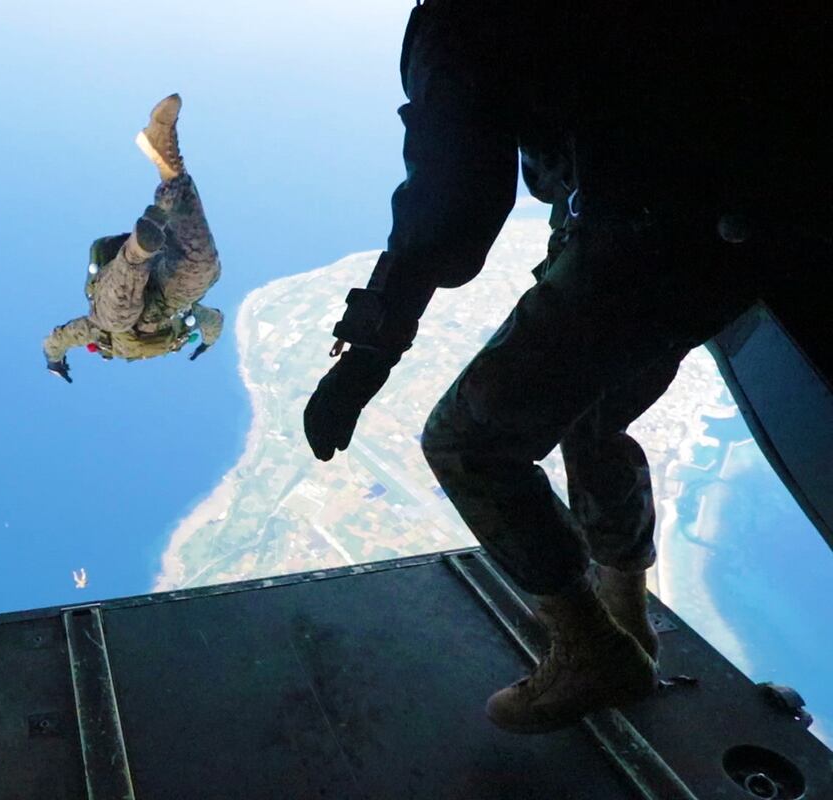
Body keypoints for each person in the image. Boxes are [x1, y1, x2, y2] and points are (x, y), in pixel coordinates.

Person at [303, 1, 827, 734]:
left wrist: (368, 352)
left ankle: (590, 650)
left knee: (467, 444)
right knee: (594, 417)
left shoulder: (459, 18)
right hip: (753, 230)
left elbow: (451, 207)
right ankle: (626, 617)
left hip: (657, 232)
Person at [43, 94, 223, 382]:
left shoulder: (102, 336)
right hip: (164, 304)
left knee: (117, 314)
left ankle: (139, 248)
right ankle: (169, 168)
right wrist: (207, 341)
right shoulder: (181, 327)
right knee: (201, 268)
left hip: (116, 301)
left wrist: (54, 359)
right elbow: (213, 320)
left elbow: (61, 337)